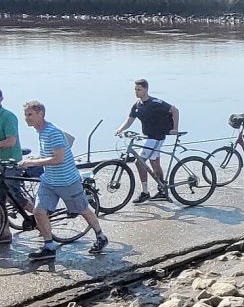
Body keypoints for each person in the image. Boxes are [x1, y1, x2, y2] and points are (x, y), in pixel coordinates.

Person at [19, 100, 108, 262]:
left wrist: (33, 163)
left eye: (30, 114)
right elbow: (49, 155)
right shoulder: (40, 131)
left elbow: (59, 158)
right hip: (49, 181)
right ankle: (49, 247)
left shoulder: (52, 132)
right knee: (39, 211)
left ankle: (100, 236)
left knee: (82, 209)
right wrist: (35, 158)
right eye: (25, 115)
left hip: (67, 181)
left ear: (41, 114)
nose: (26, 118)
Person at [115, 79, 179, 204]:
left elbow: (175, 110)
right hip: (148, 137)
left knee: (139, 162)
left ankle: (145, 192)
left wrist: (175, 129)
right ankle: (162, 189)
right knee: (154, 163)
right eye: (135, 90)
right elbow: (129, 120)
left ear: (146, 89)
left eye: (139, 89)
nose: (136, 92)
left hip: (156, 137)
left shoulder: (156, 102)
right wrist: (120, 129)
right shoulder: (137, 105)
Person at [0, 88, 25, 245]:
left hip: (10, 162)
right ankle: (5, 232)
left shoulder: (8, 117)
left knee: (15, 198)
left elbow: (11, 141)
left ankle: (40, 215)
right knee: (0, 199)